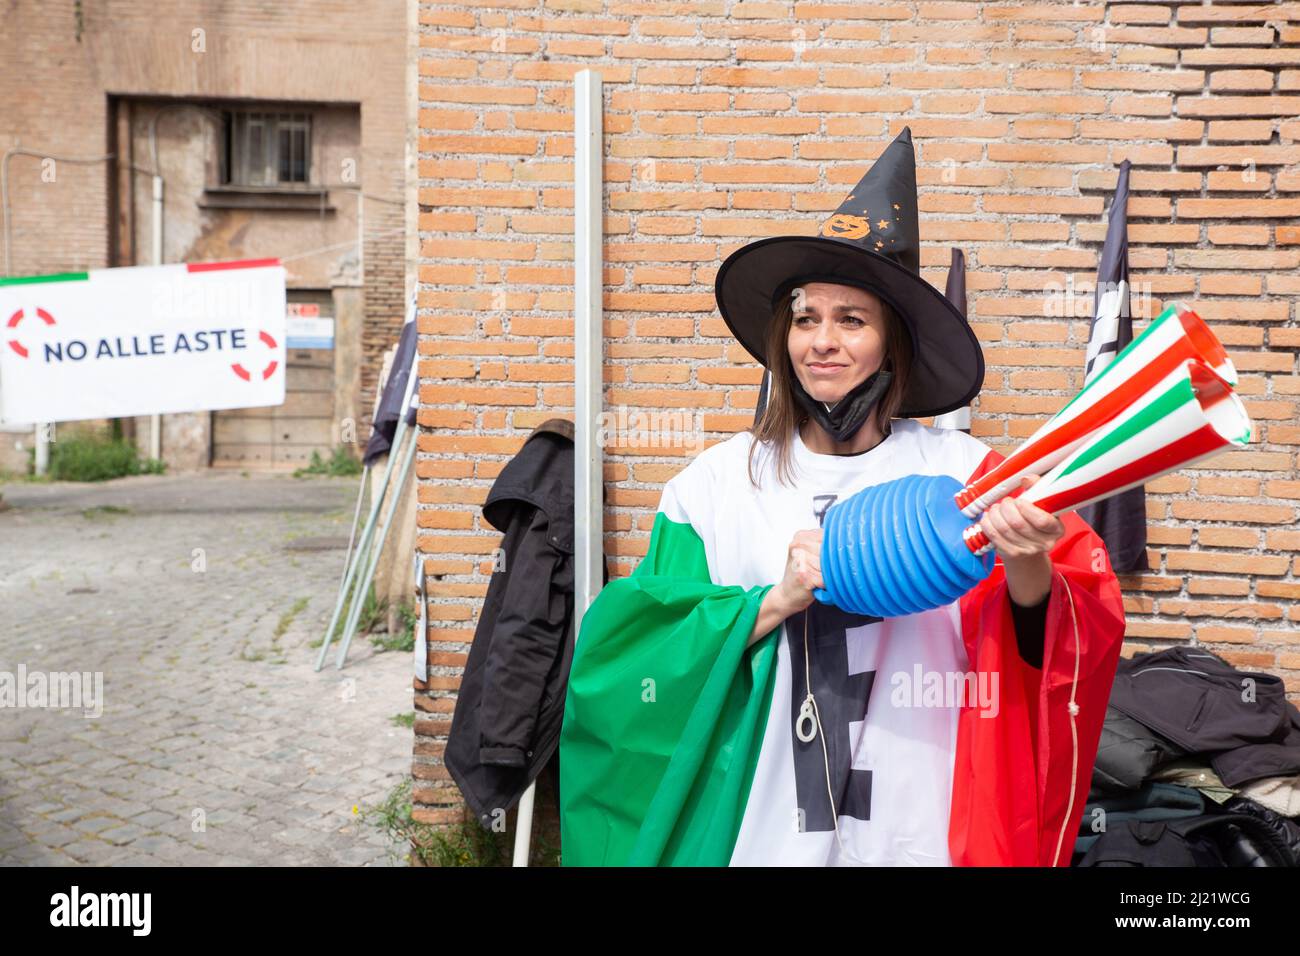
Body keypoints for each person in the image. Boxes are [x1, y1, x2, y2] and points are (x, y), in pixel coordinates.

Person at [558, 127, 1127, 867]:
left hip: (919, 821)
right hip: (758, 832)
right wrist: (775, 599)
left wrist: (1026, 562)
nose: (821, 341)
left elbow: (1052, 648)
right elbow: (634, 659)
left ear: (892, 344)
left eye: (850, 320)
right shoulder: (713, 487)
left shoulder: (971, 476)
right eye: (805, 319)